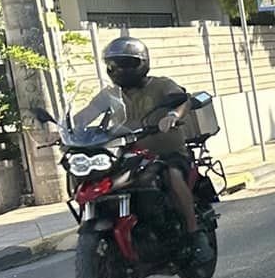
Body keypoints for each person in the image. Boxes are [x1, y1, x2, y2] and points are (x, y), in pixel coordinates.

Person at [86, 37, 211, 266]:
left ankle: (195, 235)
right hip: (131, 156)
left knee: (173, 175)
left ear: (142, 63)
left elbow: (184, 101)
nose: (119, 70)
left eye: (126, 63)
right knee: (102, 181)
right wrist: (62, 132)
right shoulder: (110, 95)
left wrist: (173, 115)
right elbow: (85, 115)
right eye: (114, 64)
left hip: (168, 153)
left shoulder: (161, 85)